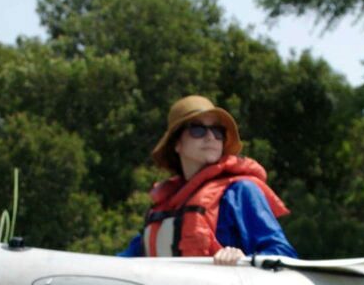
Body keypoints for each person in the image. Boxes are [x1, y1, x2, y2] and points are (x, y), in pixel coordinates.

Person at [118, 95, 297, 265]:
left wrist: (244, 260)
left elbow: (283, 254)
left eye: (217, 131)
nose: (211, 137)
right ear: (176, 144)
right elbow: (121, 263)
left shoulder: (240, 191)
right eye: (197, 129)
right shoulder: (164, 206)